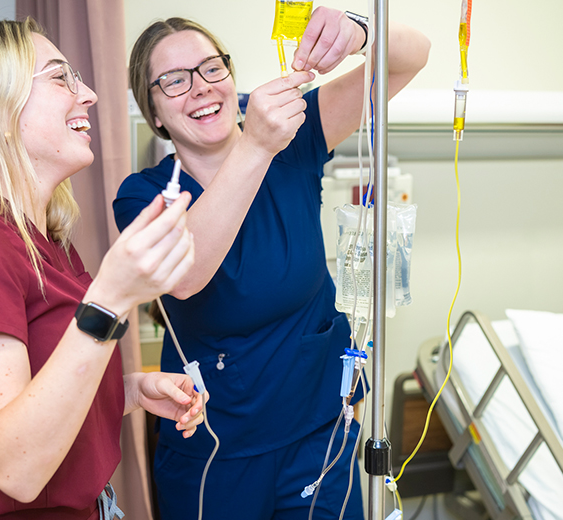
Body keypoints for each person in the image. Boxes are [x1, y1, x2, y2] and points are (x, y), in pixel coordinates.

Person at [113, 9, 429, 520]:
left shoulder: (294, 142)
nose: (199, 88)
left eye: (211, 68)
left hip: (319, 437)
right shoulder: (144, 195)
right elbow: (186, 276)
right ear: (153, 114)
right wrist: (256, 142)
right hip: (217, 455)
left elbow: (413, 56)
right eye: (173, 81)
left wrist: (360, 31)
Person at [0, 19, 204, 519]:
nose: (87, 94)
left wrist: (130, 390)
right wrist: (110, 298)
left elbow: (45, 389)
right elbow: (17, 468)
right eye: (60, 78)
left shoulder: (47, 241)